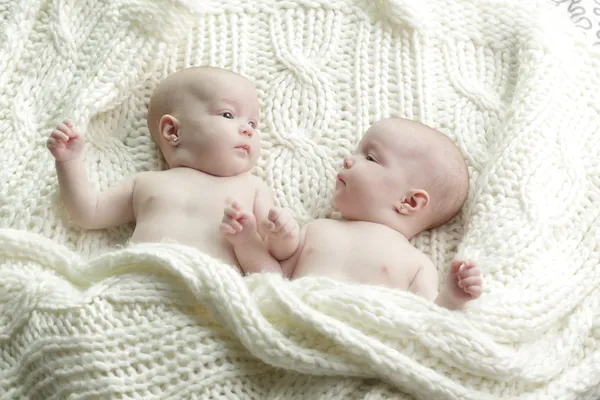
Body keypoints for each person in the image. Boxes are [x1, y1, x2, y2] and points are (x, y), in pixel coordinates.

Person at [221, 117, 483, 309]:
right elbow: (274, 277)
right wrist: (272, 236)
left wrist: (452, 296)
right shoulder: (316, 228)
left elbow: (429, 320)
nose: (348, 159)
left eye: (370, 158)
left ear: (410, 202)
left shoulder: (417, 264)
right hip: (302, 319)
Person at [47, 66, 278, 270]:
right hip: (139, 287)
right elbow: (89, 213)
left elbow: (273, 276)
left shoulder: (253, 188)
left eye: (252, 123)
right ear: (173, 131)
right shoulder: (145, 183)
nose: (248, 130)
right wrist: (69, 162)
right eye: (228, 114)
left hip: (211, 301)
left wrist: (247, 241)